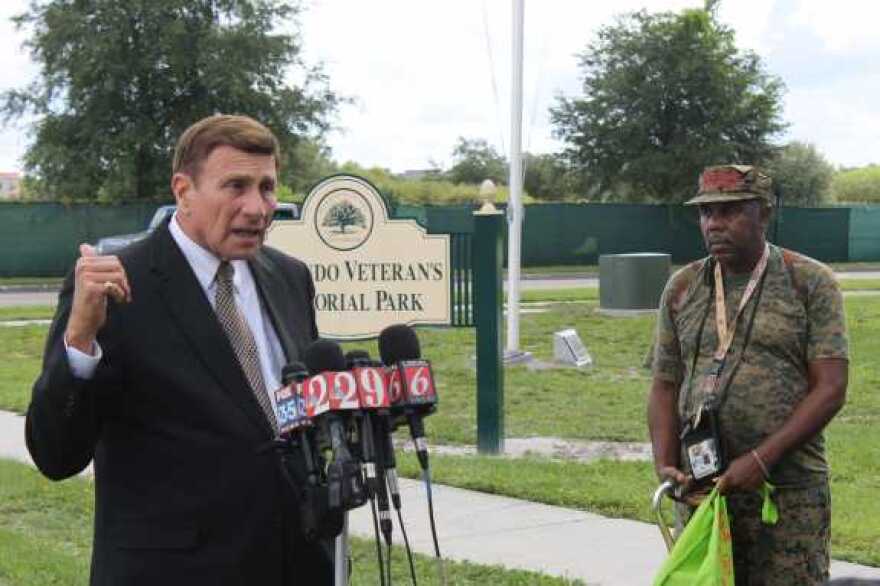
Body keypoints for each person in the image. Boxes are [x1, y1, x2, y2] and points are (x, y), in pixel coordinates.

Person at [26, 114, 335, 585]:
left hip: (295, 561)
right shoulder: (117, 285)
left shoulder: (290, 277)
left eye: (267, 187)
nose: (257, 207)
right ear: (183, 191)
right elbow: (56, 454)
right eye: (235, 186)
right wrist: (80, 342)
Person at [647, 164, 849, 585]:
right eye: (706, 214)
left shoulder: (808, 282)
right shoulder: (683, 287)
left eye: (730, 211)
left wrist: (761, 458)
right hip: (705, 493)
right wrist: (665, 462)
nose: (714, 224)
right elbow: (665, 385)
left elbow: (830, 388)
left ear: (763, 213)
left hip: (787, 495)